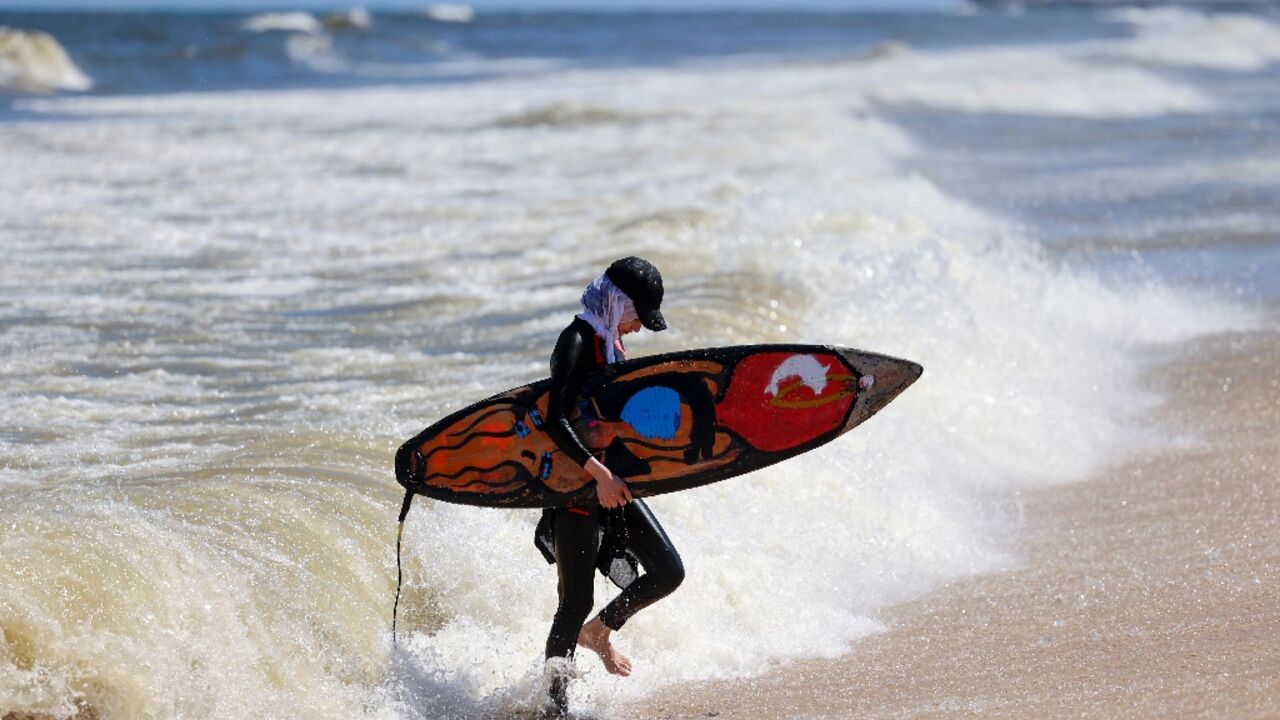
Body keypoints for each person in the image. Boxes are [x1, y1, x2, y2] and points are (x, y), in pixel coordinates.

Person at [534, 256, 685, 717]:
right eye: (638, 314)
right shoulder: (576, 341)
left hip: (610, 485)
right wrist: (597, 474)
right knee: (574, 600)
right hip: (577, 489)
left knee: (668, 571)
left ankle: (600, 630)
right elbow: (553, 419)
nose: (639, 327)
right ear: (617, 302)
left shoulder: (611, 344)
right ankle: (554, 708)